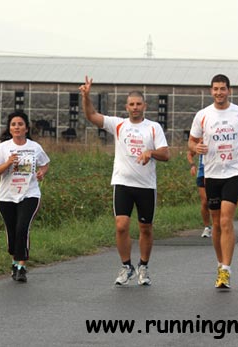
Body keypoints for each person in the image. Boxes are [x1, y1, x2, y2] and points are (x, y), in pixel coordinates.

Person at [79, 76, 170, 286]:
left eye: (139, 104)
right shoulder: (118, 124)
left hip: (146, 185)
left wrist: (150, 152)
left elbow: (166, 154)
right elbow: (92, 115)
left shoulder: (153, 127)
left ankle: (144, 266)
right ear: (126, 107)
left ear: (144, 106)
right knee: (121, 226)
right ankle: (126, 266)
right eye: (131, 104)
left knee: (145, 228)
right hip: (122, 183)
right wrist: (86, 96)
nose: (135, 107)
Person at [188, 74, 238, 289]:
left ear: (229, 90)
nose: (219, 92)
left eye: (222, 88)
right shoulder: (203, 115)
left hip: (234, 172)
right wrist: (196, 148)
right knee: (217, 222)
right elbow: (191, 142)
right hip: (211, 174)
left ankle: (226, 270)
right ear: (211, 91)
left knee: (227, 220)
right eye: (215, 89)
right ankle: (220, 265)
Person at [0, 111, 50, 283]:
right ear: (9, 129)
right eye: (13, 124)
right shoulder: (2, 148)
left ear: (26, 128)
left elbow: (45, 164)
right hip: (7, 196)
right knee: (12, 230)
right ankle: (14, 261)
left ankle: (21, 267)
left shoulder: (35, 147)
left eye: (20, 124)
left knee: (23, 227)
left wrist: (41, 172)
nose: (17, 127)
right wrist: (7, 163)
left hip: (29, 194)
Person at [186, 150, 212, 238]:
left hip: (216, 173)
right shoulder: (200, 141)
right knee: (205, 201)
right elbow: (189, 153)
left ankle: (220, 224)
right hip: (202, 173)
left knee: (218, 201)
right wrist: (192, 165)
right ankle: (207, 227)